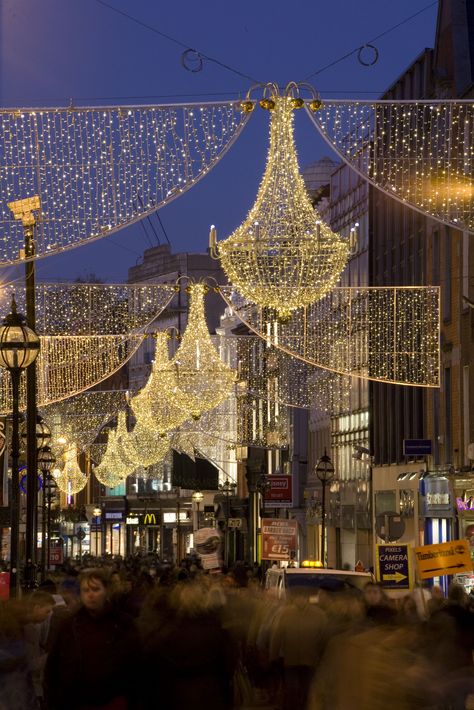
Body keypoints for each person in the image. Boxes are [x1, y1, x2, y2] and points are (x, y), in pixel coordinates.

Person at [44, 568, 142, 710]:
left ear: (106, 591)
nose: (90, 595)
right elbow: (54, 667)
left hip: (113, 702)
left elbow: (135, 666)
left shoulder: (123, 624)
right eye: (86, 590)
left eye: (95, 589)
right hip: (76, 702)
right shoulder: (70, 625)